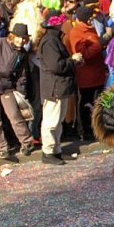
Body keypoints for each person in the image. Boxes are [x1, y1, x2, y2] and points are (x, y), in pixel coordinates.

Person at [0, 23, 36, 160]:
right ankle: (2, 147)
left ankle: (27, 142)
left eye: (23, 38)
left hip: (8, 86)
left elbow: (22, 74)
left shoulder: (22, 53)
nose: (21, 41)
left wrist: (22, 92)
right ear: (12, 36)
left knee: (15, 115)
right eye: (18, 37)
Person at [38, 9, 82, 165]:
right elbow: (56, 66)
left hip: (59, 86)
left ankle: (56, 151)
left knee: (58, 121)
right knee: (51, 121)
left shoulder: (53, 39)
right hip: (54, 87)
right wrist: (73, 60)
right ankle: (48, 152)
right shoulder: (50, 42)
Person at [68, 5, 106, 140]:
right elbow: (83, 54)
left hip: (98, 74)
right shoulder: (76, 32)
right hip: (86, 77)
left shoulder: (90, 29)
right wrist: (99, 45)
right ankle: (86, 131)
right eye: (90, 18)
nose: (92, 20)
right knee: (86, 104)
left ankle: (98, 128)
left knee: (99, 103)